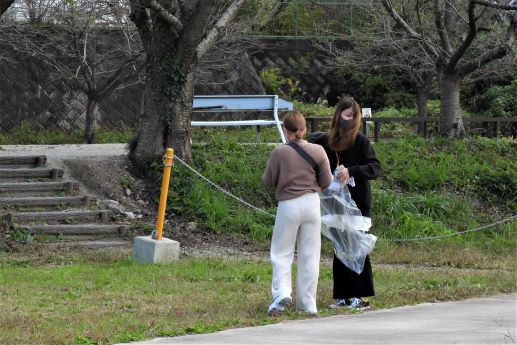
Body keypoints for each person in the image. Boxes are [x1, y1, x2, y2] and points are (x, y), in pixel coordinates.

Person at [308, 97, 381, 310]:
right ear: (338, 114)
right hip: (334, 203)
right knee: (339, 247)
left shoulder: (361, 141)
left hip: (357, 202)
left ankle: (361, 295)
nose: (350, 120)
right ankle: (343, 295)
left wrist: (352, 171)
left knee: (357, 247)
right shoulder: (325, 141)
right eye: (346, 115)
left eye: (353, 116)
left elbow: (374, 167)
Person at [262, 110, 333, 316]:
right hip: (312, 204)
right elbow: (327, 181)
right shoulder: (318, 150)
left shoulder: (279, 152)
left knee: (282, 251)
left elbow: (268, 180)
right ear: (305, 129)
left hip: (288, 204)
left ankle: (282, 294)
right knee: (310, 254)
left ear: (285, 130)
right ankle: (308, 303)